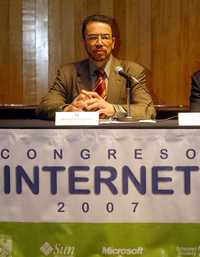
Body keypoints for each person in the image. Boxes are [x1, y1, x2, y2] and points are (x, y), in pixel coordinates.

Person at [38, 14, 156, 120]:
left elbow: (147, 110)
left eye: (105, 37)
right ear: (84, 42)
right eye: (93, 37)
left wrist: (114, 109)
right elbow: (45, 106)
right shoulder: (68, 73)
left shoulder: (132, 71)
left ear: (113, 43)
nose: (99, 43)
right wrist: (68, 109)